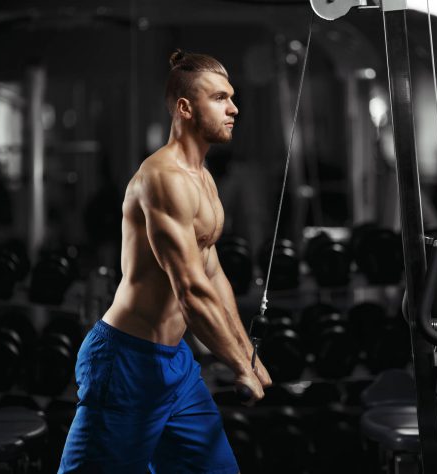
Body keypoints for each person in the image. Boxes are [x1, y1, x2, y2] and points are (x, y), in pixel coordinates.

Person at [58, 49, 272, 474]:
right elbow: (190, 290)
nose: (234, 108)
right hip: (126, 362)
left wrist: (247, 353)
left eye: (232, 96)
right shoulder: (163, 180)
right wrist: (234, 363)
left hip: (175, 365)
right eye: (219, 98)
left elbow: (213, 273)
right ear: (185, 108)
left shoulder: (204, 180)